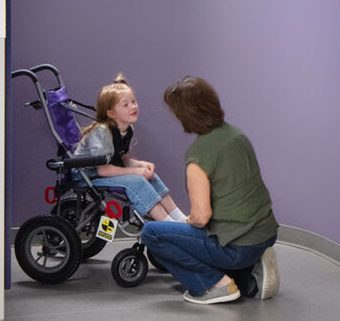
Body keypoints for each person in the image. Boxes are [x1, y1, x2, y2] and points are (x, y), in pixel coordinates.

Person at [142, 76, 280, 305]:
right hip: (266, 233)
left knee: (151, 233)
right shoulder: (238, 136)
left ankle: (213, 285)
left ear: (184, 115)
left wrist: (187, 222)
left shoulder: (198, 156)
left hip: (237, 246)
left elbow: (201, 217)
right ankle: (248, 271)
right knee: (201, 239)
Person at [75, 75, 186, 222]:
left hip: (105, 171)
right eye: (125, 105)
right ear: (111, 113)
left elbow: (122, 158)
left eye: (133, 101)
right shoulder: (103, 132)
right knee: (138, 181)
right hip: (88, 176)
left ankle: (181, 219)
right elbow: (102, 169)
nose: (133, 106)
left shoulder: (127, 130)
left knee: (150, 176)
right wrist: (134, 171)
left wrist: (140, 165)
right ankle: (169, 226)